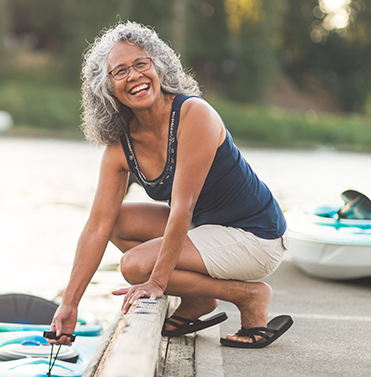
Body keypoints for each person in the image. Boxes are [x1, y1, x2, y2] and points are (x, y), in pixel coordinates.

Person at [49, 21, 292, 349]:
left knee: (134, 266)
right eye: (120, 71)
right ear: (106, 87)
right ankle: (199, 300)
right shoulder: (120, 148)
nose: (134, 76)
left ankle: (249, 296)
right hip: (206, 227)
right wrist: (70, 302)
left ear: (158, 66)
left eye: (140, 64)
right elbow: (97, 227)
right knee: (116, 222)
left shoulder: (194, 114)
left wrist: (155, 282)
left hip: (256, 236)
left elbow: (182, 207)